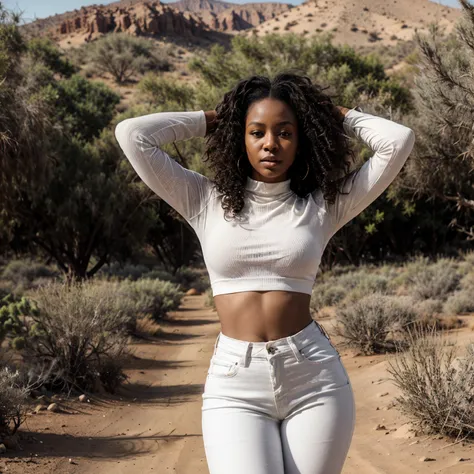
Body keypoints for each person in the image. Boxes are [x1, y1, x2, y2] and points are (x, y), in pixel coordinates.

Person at [114, 72, 415, 474]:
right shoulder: (204, 199)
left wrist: (332, 114)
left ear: (301, 140)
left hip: (314, 378)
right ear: (241, 137)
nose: (270, 143)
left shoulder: (323, 204)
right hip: (235, 383)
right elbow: (132, 134)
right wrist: (215, 117)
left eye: (285, 132)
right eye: (256, 132)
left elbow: (398, 140)